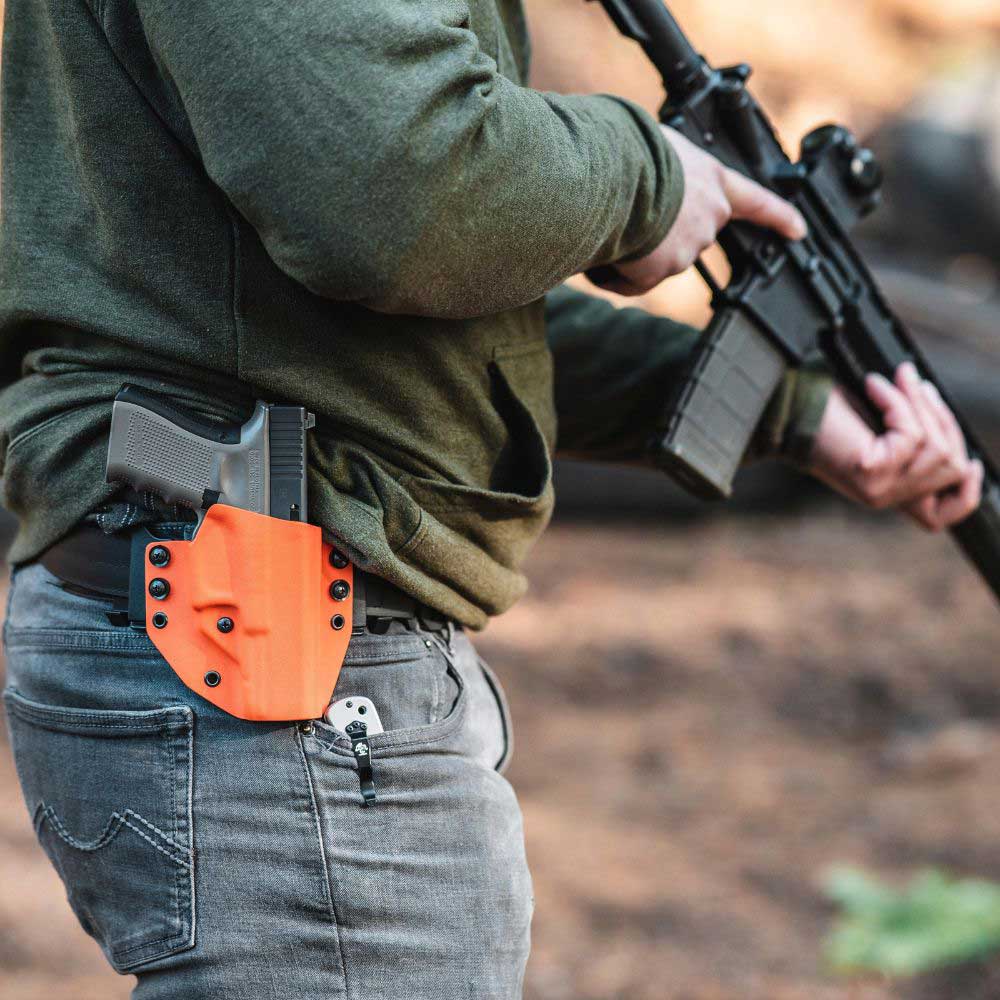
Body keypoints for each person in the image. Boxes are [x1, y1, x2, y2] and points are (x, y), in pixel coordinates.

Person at [0, 1, 982, 998]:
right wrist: (647, 177)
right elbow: (392, 193)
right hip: (264, 657)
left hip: (263, 640)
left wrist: (795, 414)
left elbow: (431, 333)